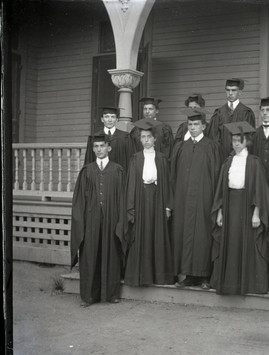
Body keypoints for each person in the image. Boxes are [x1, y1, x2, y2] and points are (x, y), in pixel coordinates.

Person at [211, 121, 269, 295]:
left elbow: (260, 190)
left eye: (239, 140)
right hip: (230, 207)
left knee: (247, 244)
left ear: (247, 142)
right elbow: (222, 189)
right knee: (230, 243)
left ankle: (249, 284)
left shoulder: (254, 162)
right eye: (234, 140)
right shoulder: (228, 161)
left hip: (247, 207)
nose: (236, 144)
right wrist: (220, 211)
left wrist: (257, 213)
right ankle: (229, 284)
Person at [171, 108, 223, 289]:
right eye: (190, 124)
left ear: (204, 126)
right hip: (184, 200)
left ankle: (204, 276)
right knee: (185, 235)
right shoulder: (181, 147)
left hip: (204, 200)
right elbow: (173, 175)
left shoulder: (212, 147)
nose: (192, 128)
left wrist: (217, 203)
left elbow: (217, 176)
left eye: (196, 125)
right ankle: (188, 276)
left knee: (203, 235)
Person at [71, 135, 125, 307]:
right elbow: (79, 201)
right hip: (91, 219)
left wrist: (120, 221)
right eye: (96, 146)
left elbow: (123, 199)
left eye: (102, 145)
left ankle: (111, 294)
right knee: (90, 254)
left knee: (111, 254)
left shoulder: (118, 170)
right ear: (93, 149)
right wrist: (81, 222)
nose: (99, 149)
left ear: (109, 148)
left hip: (112, 219)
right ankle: (89, 296)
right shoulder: (87, 171)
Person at [123, 122, 175, 286]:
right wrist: (131, 207)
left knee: (157, 234)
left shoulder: (161, 158)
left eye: (149, 137)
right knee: (142, 234)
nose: (146, 140)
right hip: (141, 198)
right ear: (140, 139)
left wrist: (167, 206)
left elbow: (167, 183)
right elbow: (131, 183)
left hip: (158, 198)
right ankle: (141, 276)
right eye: (143, 137)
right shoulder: (136, 158)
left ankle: (158, 276)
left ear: (155, 139)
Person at [206, 78, 256, 158]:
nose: (230, 93)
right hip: (221, 159)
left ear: (240, 92)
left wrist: (234, 155)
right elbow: (213, 138)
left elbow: (249, 138)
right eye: (228, 90)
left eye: (234, 90)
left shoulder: (246, 112)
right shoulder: (219, 113)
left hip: (240, 159)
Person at [84, 107, 134, 173]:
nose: (109, 120)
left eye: (113, 117)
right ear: (102, 119)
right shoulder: (94, 138)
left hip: (119, 177)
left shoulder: (125, 137)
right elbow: (89, 160)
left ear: (117, 120)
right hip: (99, 177)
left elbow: (129, 161)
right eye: (106, 117)